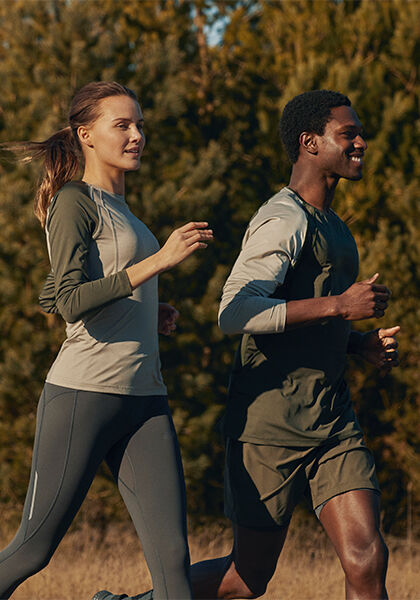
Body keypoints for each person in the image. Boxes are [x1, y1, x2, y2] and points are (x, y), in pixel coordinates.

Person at [100, 90, 399, 600]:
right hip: (268, 424)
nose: (361, 143)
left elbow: (305, 315)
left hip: (331, 418)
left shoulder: (333, 224)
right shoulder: (283, 219)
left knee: (366, 559)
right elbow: (235, 312)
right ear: (310, 143)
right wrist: (339, 307)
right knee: (247, 579)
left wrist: (355, 343)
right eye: (349, 134)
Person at [0, 81, 213, 600]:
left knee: (173, 572)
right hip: (83, 395)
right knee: (34, 548)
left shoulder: (128, 212)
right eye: (123, 125)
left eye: (139, 124)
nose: (137, 135)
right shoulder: (74, 200)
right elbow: (68, 300)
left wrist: (150, 310)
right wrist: (159, 261)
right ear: (86, 135)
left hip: (145, 400)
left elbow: (104, 287)